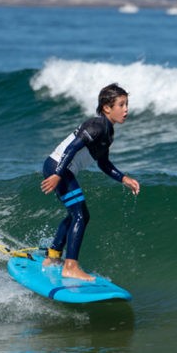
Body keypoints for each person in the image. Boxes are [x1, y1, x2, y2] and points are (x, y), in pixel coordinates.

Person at [40, 83, 140, 281]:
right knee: (80, 215)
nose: (126, 109)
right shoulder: (96, 126)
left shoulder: (108, 132)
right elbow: (71, 149)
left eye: (126, 104)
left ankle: (53, 257)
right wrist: (58, 174)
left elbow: (103, 162)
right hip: (58, 168)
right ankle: (70, 266)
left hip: (61, 170)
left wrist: (123, 178)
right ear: (107, 108)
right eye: (121, 105)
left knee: (76, 214)